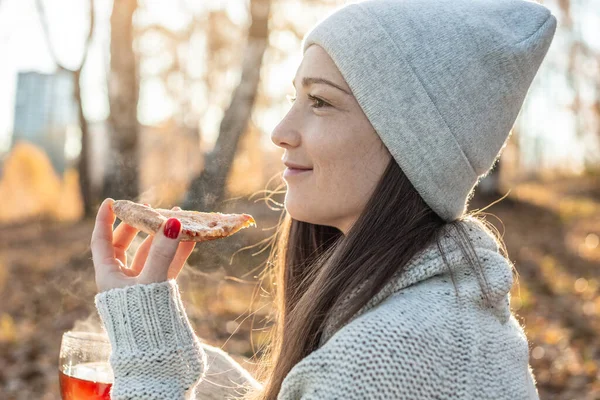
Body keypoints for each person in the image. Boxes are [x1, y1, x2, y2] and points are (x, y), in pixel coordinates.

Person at [91, 0, 557, 398]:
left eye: (320, 102)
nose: (280, 132)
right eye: (295, 97)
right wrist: (179, 356)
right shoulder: (445, 311)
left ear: (412, 144)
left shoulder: (382, 358)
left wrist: (148, 360)